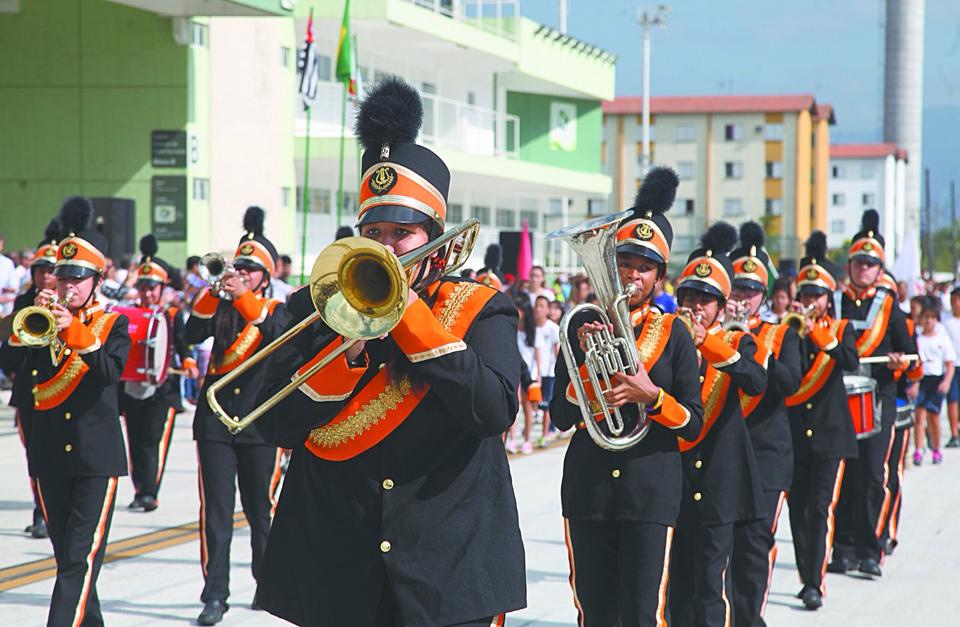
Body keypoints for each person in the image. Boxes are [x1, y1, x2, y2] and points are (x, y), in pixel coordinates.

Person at [250, 76, 526, 626]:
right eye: (372, 229)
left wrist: (413, 322)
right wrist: (339, 359)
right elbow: (271, 425)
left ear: (434, 237)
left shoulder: (479, 309)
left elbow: (493, 411)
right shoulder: (312, 308)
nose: (385, 244)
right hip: (336, 569)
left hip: (447, 570)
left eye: (402, 232)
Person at [552, 166, 703, 625]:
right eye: (624, 263)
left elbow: (693, 423)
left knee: (641, 614)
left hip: (650, 491)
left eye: (644, 267)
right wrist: (583, 368)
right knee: (593, 613)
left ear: (659, 278)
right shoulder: (579, 326)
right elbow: (559, 414)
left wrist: (652, 396)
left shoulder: (675, 333)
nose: (632, 275)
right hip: (588, 490)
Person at [6, 197, 131, 625]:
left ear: (97, 281)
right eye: (63, 279)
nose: (67, 287)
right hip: (48, 457)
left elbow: (109, 373)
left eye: (78, 280)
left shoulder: (113, 325)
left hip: (96, 459)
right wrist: (30, 321)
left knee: (79, 560)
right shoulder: (41, 318)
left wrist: (72, 329)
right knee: (69, 561)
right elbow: (9, 365)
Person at [184, 206, 287, 626]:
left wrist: (242, 296)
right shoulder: (222, 308)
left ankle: (268, 582)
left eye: (250, 267)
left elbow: (276, 337)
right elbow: (190, 334)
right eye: (237, 265)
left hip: (259, 425)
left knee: (261, 510)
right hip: (215, 425)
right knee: (217, 513)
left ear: (265, 275)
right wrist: (214, 290)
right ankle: (215, 595)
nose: (240, 272)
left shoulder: (276, 310)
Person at [669, 222, 768, 627]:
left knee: (711, 584)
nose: (694, 306)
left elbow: (755, 379)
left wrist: (706, 340)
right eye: (688, 296)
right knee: (675, 582)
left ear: (721, 307)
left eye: (705, 300)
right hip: (673, 478)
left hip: (719, 481)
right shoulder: (665, 339)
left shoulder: (736, 340)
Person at [830, 209, 917, 580]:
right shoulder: (835, 303)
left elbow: (914, 362)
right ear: (849, 265)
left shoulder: (892, 309)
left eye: (870, 263)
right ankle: (842, 548)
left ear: (879, 269)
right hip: (838, 402)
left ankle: (871, 548)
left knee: (870, 475)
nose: (863, 269)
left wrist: (899, 364)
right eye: (858, 262)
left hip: (877, 401)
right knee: (842, 476)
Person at [728, 222, 802, 627]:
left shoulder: (780, 333)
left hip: (767, 455)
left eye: (751, 291)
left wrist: (758, 351)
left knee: (755, 543)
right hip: (723, 453)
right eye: (737, 288)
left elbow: (790, 383)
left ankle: (749, 620)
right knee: (719, 544)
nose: (743, 297)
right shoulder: (714, 333)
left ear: (763, 295)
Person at [784, 231, 860, 610]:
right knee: (797, 508)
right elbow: (789, 379)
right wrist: (797, 335)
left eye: (817, 294)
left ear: (829, 298)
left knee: (818, 508)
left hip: (831, 436)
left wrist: (821, 336)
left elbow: (851, 361)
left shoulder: (841, 330)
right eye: (806, 294)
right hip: (795, 435)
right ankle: (805, 575)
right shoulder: (790, 330)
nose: (810, 301)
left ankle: (815, 580)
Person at [118, 235, 197, 512]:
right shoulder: (126, 315)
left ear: (162, 288)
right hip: (132, 386)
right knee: (135, 440)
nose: (148, 293)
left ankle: (150, 492)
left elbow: (184, 344)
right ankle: (140, 489)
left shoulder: (173, 315)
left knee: (153, 442)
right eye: (143, 287)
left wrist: (188, 360)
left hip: (163, 388)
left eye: (152, 288)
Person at [0, 217, 60, 539]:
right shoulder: (23, 304)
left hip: (64, 392)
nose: (46, 276)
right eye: (40, 270)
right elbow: (7, 358)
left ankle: (56, 513)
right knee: (35, 456)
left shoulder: (72, 305)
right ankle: (42, 512)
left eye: (52, 270)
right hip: (30, 394)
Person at [913, 303, 956, 465]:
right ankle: (918, 449)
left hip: (936, 379)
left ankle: (936, 449)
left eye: (932, 318)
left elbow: (950, 364)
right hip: (921, 379)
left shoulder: (942, 339)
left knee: (934, 417)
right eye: (926, 318)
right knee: (919, 416)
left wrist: (946, 381)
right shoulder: (918, 339)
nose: (929, 321)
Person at [509, 295, 541, 454]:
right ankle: (512, 439)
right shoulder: (510, 327)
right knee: (514, 404)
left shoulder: (532, 330)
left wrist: (537, 377)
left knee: (528, 408)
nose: (517, 311)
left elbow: (537, 355)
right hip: (514, 370)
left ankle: (527, 439)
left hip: (529, 374)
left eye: (520, 308)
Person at [534, 294, 560, 446]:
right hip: (536, 371)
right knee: (536, 402)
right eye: (536, 305)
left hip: (549, 372)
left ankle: (546, 433)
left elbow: (556, 351)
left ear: (548, 310)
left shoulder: (553, 328)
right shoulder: (533, 327)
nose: (538, 309)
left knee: (546, 403)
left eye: (542, 306)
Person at [943, 288, 960, 447]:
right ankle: (954, 434)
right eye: (953, 299)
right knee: (952, 401)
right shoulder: (945, 320)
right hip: (952, 366)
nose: (956, 303)